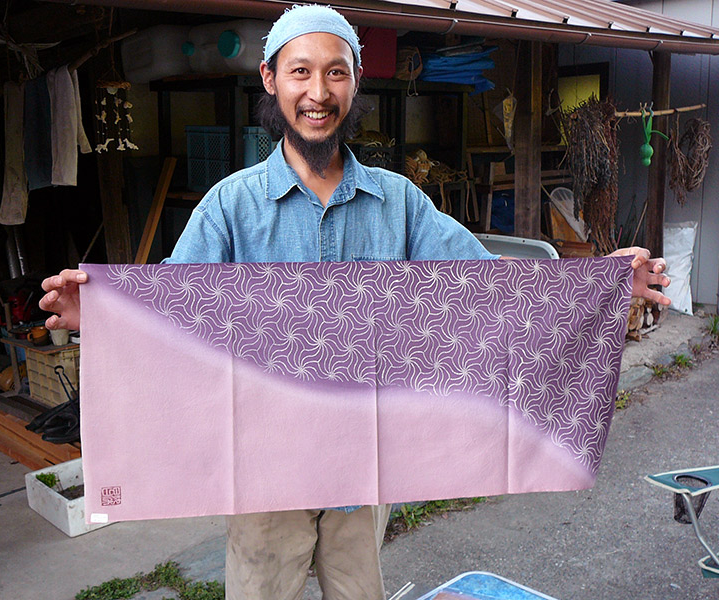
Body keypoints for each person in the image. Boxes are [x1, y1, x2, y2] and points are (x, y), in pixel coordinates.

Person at [40, 6, 671, 599]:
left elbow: (492, 287)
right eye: (301, 71)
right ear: (270, 80)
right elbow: (173, 310)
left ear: (356, 83)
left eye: (335, 72)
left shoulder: (398, 202)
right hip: (264, 465)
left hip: (364, 463)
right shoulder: (231, 205)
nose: (319, 92)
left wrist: (605, 284)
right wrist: (100, 315)